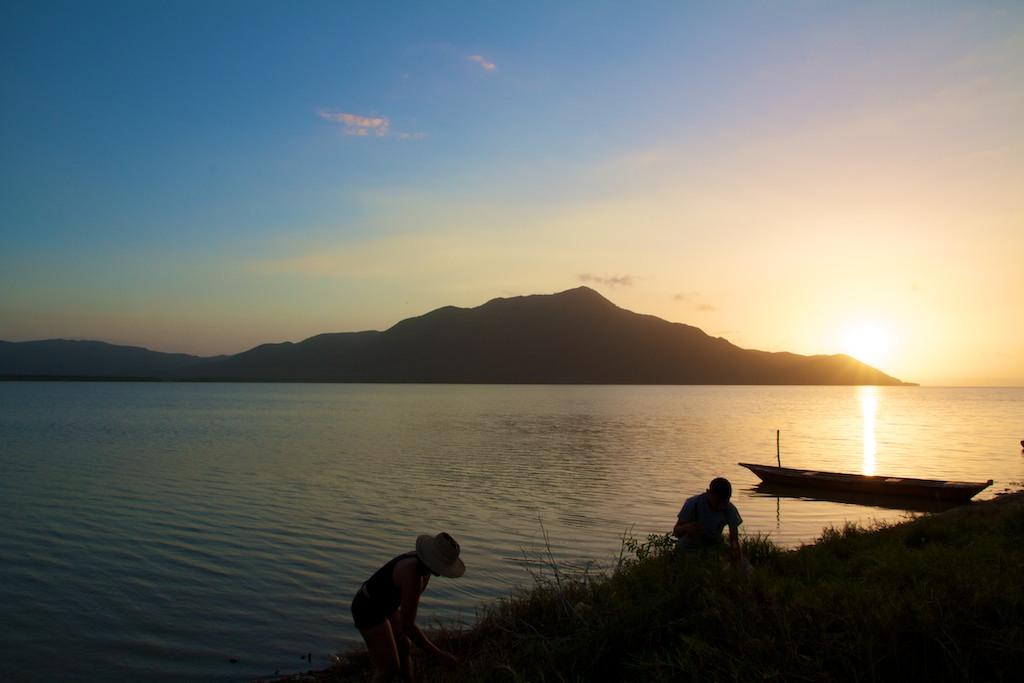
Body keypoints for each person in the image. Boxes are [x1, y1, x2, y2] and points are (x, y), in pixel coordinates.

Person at [350, 532, 464, 682]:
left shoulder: (425, 570)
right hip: (367, 607)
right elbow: (408, 625)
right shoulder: (412, 572)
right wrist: (438, 654)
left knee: (404, 646)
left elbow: (405, 616)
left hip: (386, 605)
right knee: (389, 668)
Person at [672, 477, 745, 567]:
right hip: (689, 548)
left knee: (745, 567)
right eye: (718, 502)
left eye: (725, 502)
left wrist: (737, 561)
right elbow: (676, 532)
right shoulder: (693, 504)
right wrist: (687, 528)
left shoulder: (730, 509)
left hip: (714, 547)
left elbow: (734, 540)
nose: (722, 506)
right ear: (708, 493)